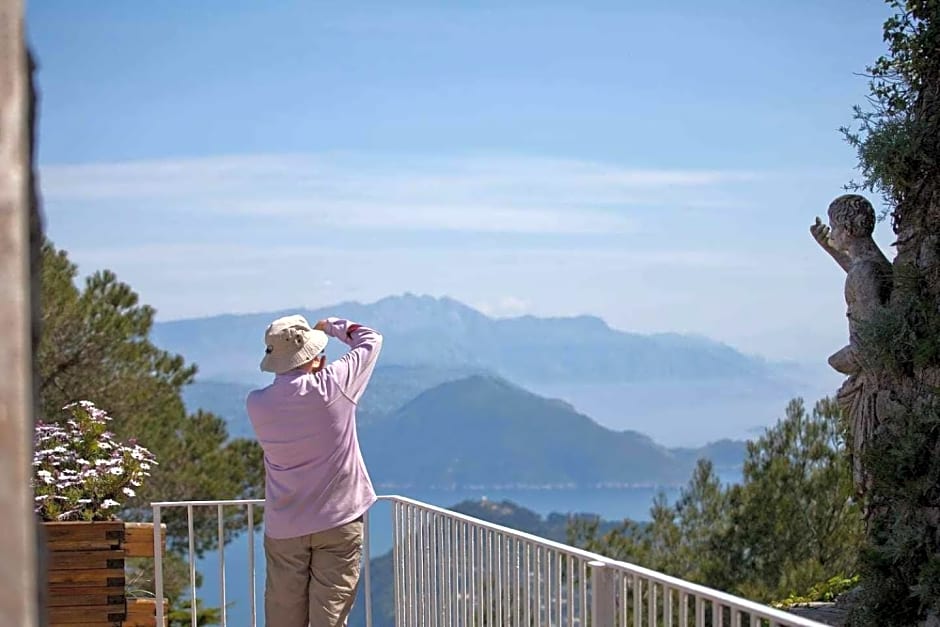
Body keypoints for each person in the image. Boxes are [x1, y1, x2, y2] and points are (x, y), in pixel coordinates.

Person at [246, 314, 383, 627]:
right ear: (311, 354)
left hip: (285, 526)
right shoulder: (333, 385)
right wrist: (330, 326)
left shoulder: (257, 404)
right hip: (339, 520)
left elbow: (296, 397)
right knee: (330, 619)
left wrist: (311, 370)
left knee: (283, 618)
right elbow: (371, 339)